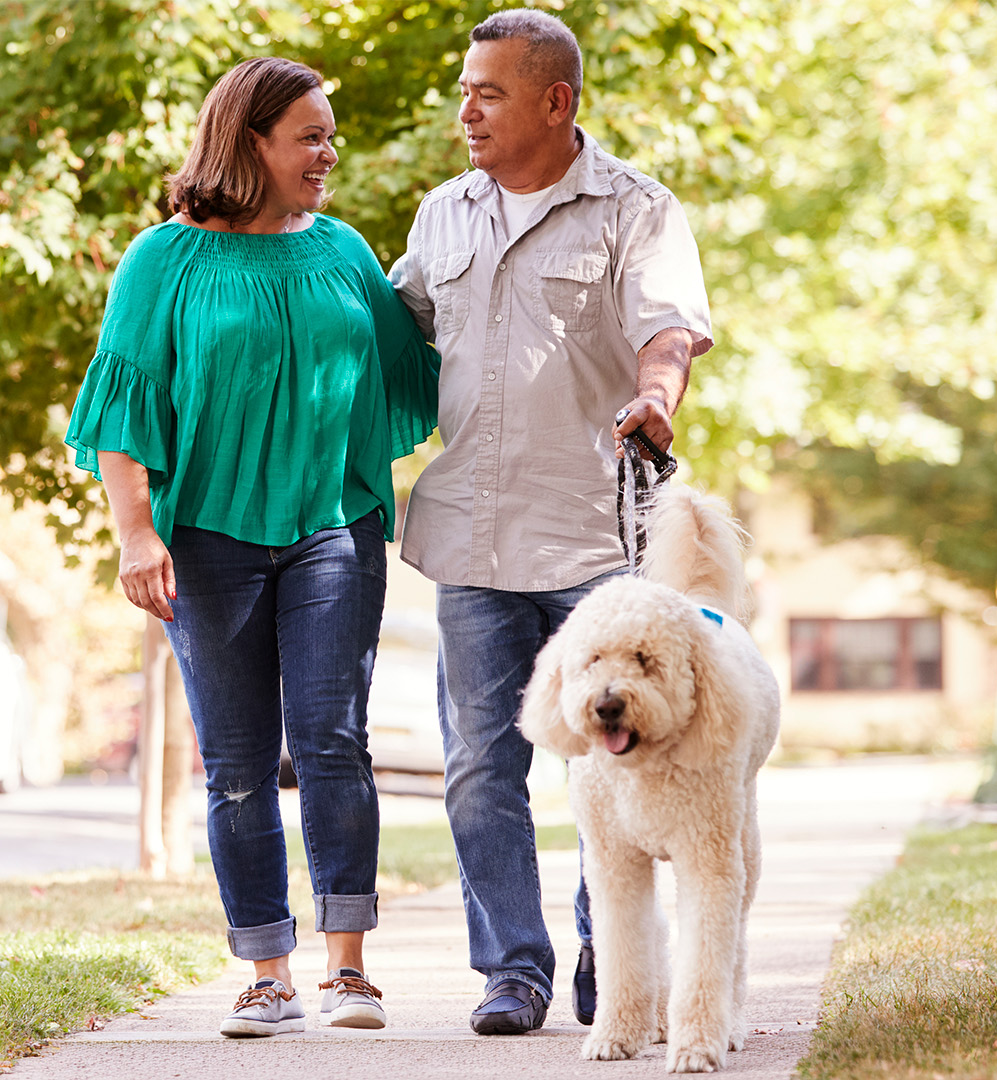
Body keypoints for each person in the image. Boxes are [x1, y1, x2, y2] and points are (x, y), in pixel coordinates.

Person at [65, 56, 440, 1039]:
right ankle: (267, 972)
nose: (329, 152)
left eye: (328, 134)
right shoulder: (164, 260)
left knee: (332, 742)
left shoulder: (345, 251)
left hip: (331, 530)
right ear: (252, 143)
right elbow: (122, 404)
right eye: (310, 136)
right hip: (207, 543)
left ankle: (348, 967)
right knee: (236, 764)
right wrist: (135, 530)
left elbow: (421, 361)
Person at [388, 10, 714, 1035]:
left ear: (556, 101)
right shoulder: (443, 213)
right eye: (465, 89)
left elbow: (668, 330)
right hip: (473, 538)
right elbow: (391, 330)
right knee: (483, 761)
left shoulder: (635, 210)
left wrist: (657, 395)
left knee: (611, 761)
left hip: (596, 541)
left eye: (488, 91)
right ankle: (511, 971)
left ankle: (603, 961)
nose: (466, 110)